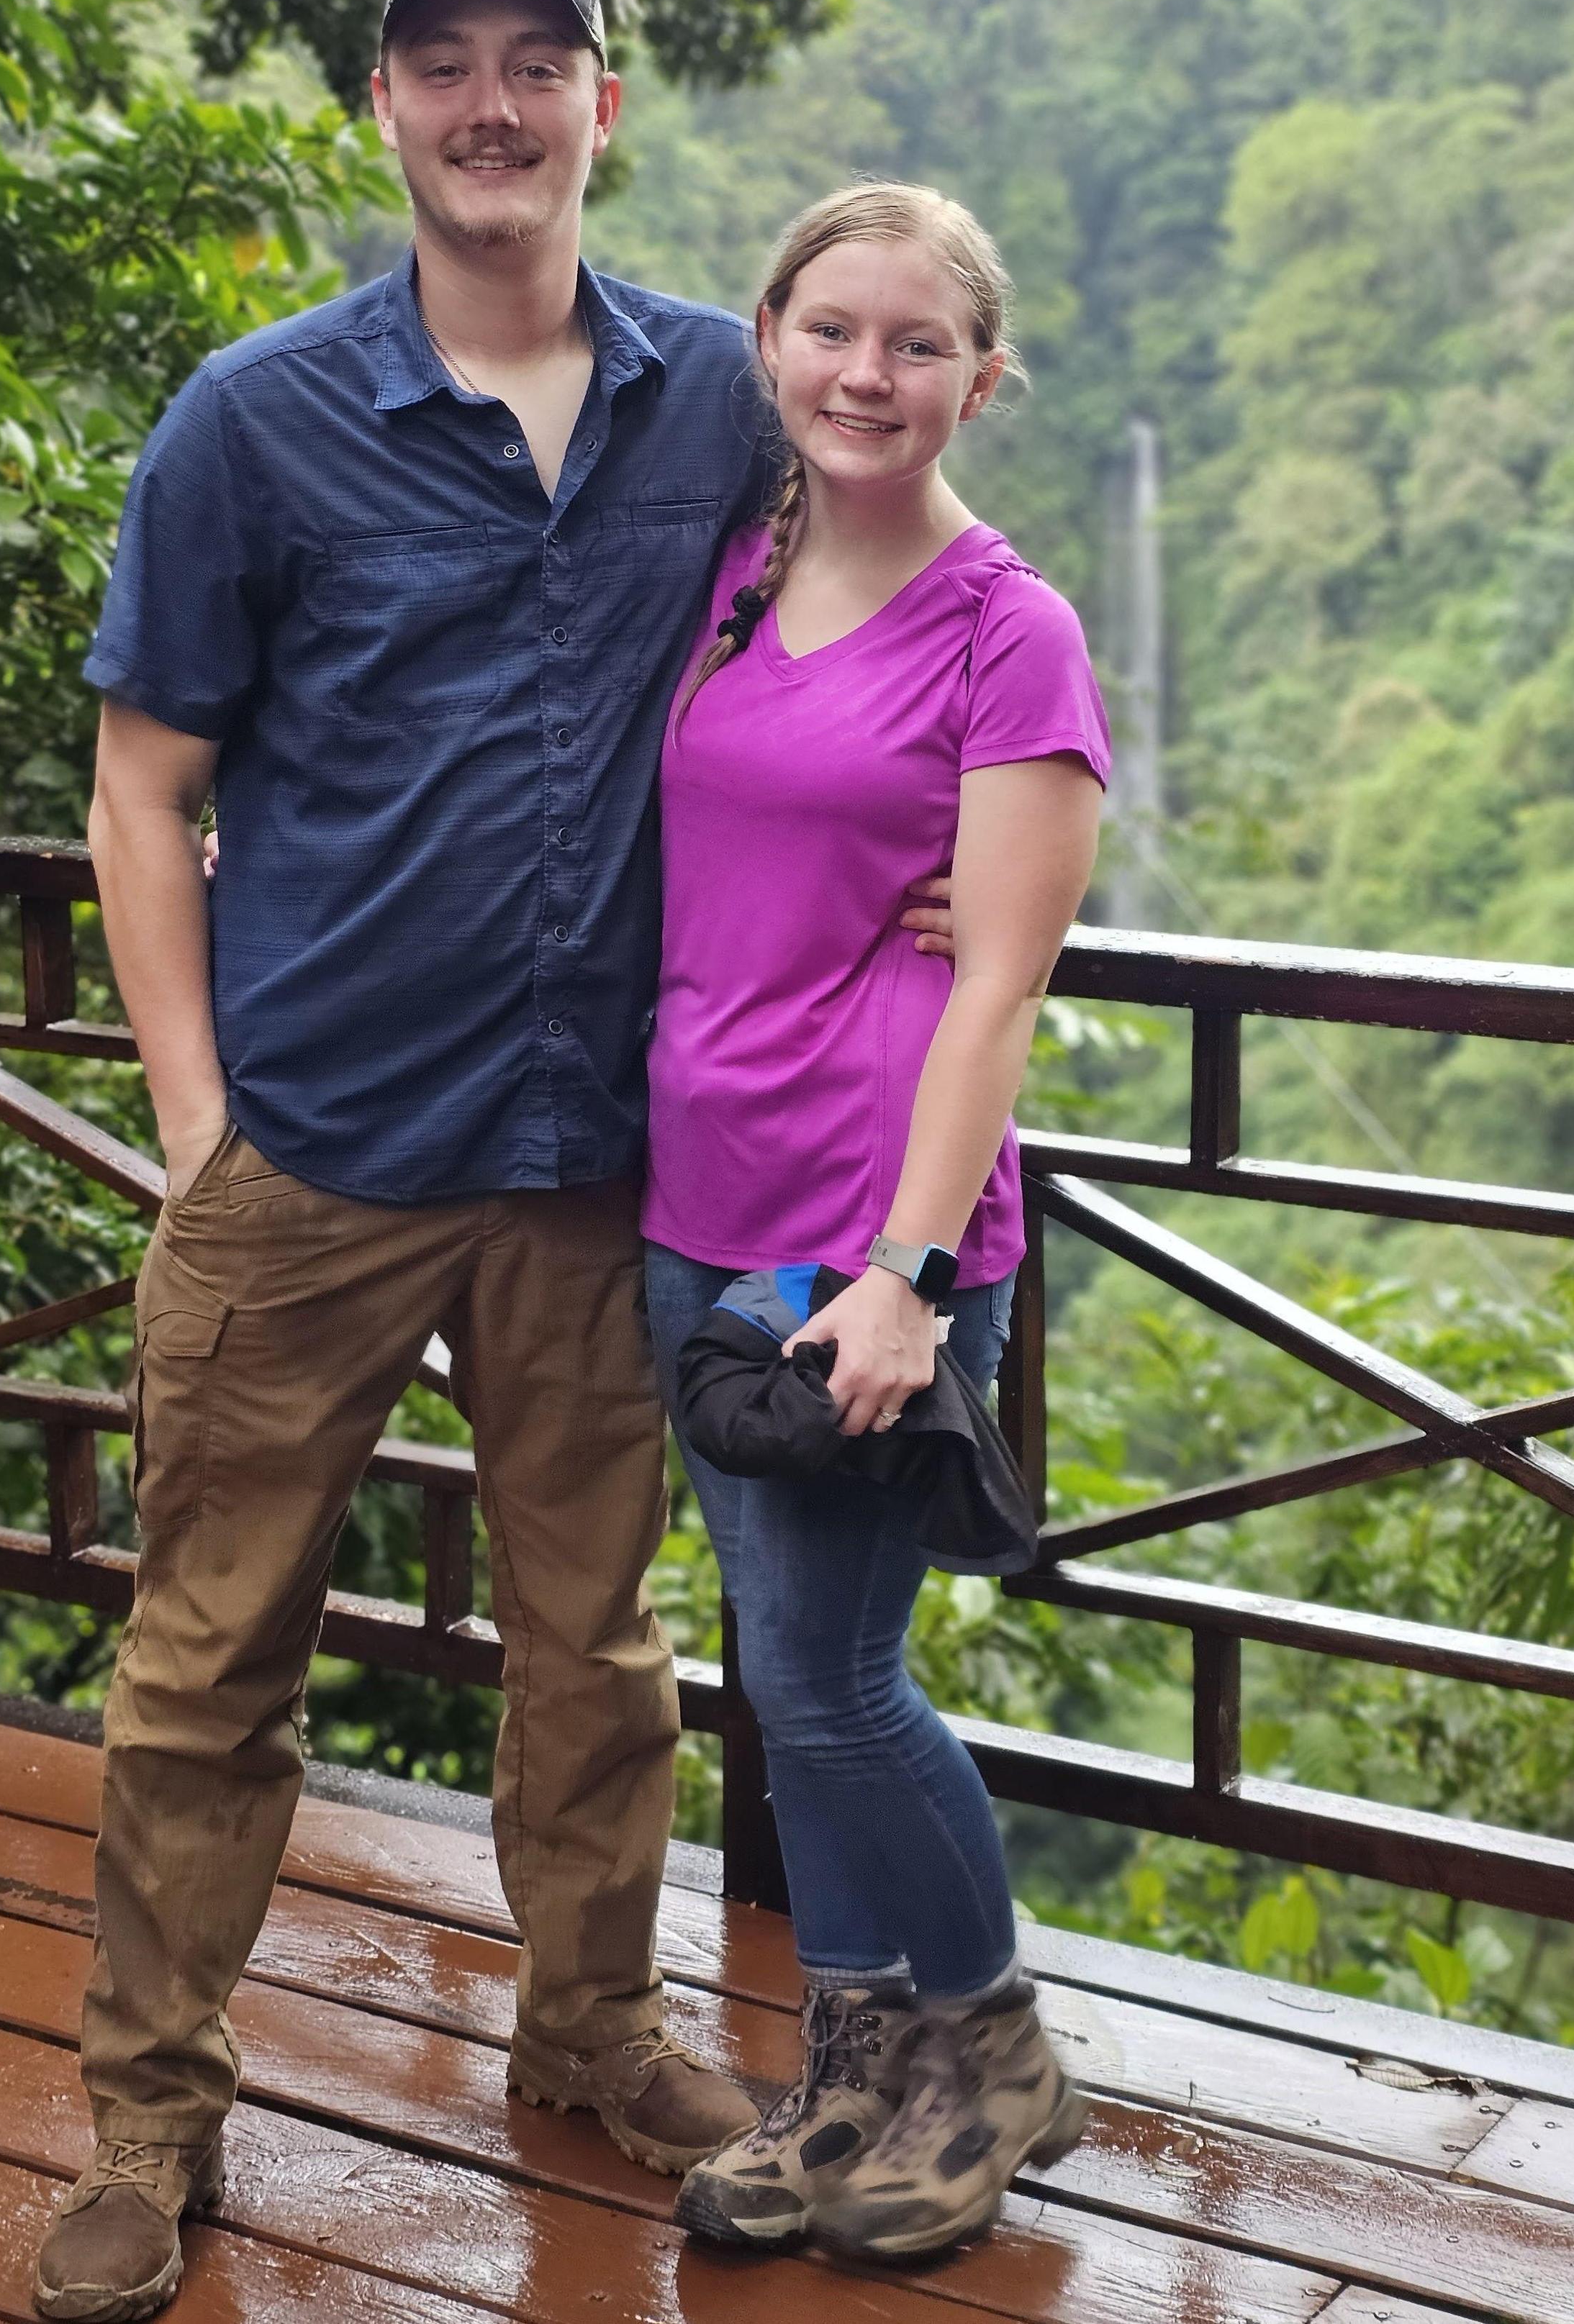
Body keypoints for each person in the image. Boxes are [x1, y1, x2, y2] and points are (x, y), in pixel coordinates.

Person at [36, 0, 954, 2323]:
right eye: (439, 62)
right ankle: (149, 2114)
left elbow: (885, 618)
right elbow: (145, 793)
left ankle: (588, 2029)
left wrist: (959, 841)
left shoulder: (715, 399)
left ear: (601, 111)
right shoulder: (255, 417)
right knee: (206, 1655)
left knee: (597, 1648)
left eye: (532, 62)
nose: (487, 102)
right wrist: (199, 1119)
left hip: (598, 1164)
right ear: (384, 111)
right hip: (314, 1154)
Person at [641, 183, 1111, 2263]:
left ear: (979, 380)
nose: (867, 373)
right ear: (768, 339)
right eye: (833, 329)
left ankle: (985, 2047)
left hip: (871, 1223)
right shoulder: (728, 576)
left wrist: (913, 1277)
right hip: (695, 1200)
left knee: (832, 1672)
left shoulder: (1008, 625)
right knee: (776, 1658)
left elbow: (1002, 974)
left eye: (917, 346)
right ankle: (849, 2071)